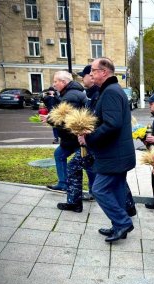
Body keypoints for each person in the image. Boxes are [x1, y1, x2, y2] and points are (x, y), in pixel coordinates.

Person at [78, 57, 136, 242]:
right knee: (118, 189)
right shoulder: (112, 90)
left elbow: (112, 124)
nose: (91, 74)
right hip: (118, 154)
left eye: (93, 70)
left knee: (99, 190)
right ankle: (118, 226)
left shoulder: (110, 92)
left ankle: (123, 222)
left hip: (113, 155)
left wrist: (89, 138)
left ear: (104, 72)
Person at [56, 65, 98, 212]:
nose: (82, 78)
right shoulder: (90, 94)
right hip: (88, 140)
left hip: (95, 142)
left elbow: (106, 121)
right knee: (79, 166)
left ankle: (125, 213)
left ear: (92, 77)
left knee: (111, 175)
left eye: (84, 75)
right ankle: (75, 202)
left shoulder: (101, 93)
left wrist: (87, 134)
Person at [46, 71, 87, 193]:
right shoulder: (71, 93)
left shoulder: (70, 96)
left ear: (64, 82)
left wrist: (50, 119)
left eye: (55, 81)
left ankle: (92, 191)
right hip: (73, 138)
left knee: (86, 164)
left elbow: (68, 120)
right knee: (60, 155)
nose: (54, 84)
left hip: (75, 138)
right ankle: (63, 183)